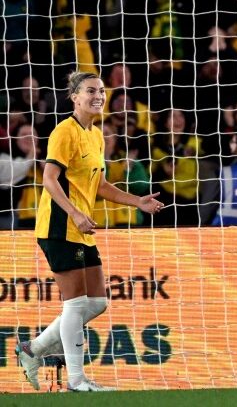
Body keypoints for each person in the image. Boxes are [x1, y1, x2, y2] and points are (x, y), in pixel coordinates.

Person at [16, 71, 165, 391]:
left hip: (81, 228)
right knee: (75, 305)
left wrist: (136, 201)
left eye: (101, 91)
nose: (98, 96)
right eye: (90, 91)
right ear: (74, 97)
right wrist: (74, 212)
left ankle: (33, 349)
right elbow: (49, 179)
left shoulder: (96, 134)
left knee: (97, 303)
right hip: (59, 225)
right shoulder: (63, 132)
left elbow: (99, 184)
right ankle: (76, 380)